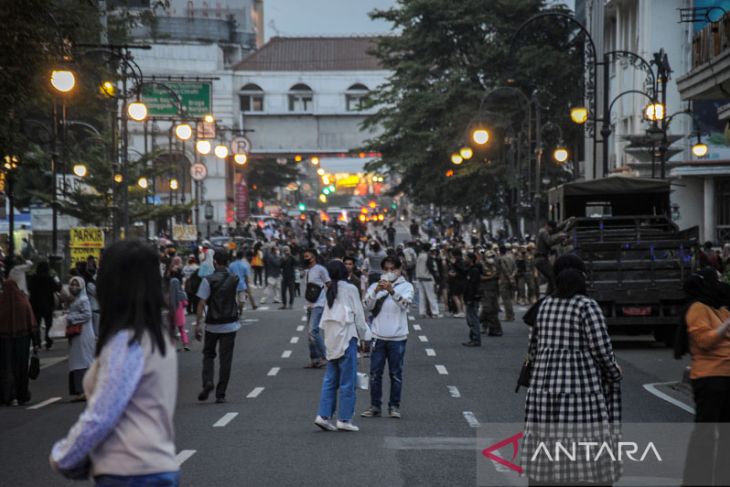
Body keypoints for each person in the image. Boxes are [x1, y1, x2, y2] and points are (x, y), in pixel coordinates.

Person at [50, 240, 179, 486]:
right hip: (158, 466)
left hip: (127, 472)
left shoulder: (128, 343)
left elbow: (103, 413)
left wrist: (62, 456)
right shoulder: (159, 338)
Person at [522, 254, 622, 486]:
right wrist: (614, 372)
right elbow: (601, 347)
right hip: (580, 385)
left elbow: (533, 346)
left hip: (543, 386)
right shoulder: (587, 306)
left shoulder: (545, 305)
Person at [680, 268, 730, 486]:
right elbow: (705, 341)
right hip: (710, 378)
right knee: (706, 434)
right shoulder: (698, 309)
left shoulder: (720, 309)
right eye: (717, 280)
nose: (721, 284)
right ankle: (696, 480)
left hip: (725, 377)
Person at [314, 260, 372, 432]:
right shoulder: (350, 289)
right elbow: (359, 315)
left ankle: (323, 415)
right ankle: (344, 419)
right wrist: (365, 337)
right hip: (347, 337)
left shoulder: (328, 289)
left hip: (331, 339)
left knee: (330, 378)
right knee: (348, 379)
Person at [361, 256, 414, 419]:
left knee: (395, 374)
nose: (389, 272)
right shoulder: (374, 286)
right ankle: (375, 406)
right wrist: (376, 291)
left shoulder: (406, 287)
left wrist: (392, 291)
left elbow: (405, 305)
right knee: (375, 373)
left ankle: (394, 406)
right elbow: (366, 306)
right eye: (386, 269)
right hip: (378, 336)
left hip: (397, 338)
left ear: (399, 270)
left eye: (393, 269)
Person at [194, 250, 240, 403]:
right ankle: (221, 394)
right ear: (227, 262)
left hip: (213, 324)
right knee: (225, 359)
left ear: (215, 262)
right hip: (231, 324)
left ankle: (208, 381)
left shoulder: (208, 280)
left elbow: (201, 303)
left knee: (209, 354)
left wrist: (198, 324)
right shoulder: (234, 278)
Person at [0, 278, 39, 405]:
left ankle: (8, 395)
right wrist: (36, 342)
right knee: (21, 367)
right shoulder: (23, 301)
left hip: (4, 340)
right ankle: (21, 394)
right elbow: (32, 321)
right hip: (23, 339)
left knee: (6, 368)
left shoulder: (1, 302)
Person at [66, 276, 96, 401]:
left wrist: (71, 318)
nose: (73, 287)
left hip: (83, 335)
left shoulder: (83, 299)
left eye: (76, 284)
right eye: (72, 284)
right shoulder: (76, 299)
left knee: (83, 361)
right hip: (77, 335)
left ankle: (84, 390)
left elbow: (87, 315)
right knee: (79, 361)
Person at [303, 248, 330, 368]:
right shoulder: (307, 271)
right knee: (310, 334)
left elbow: (329, 284)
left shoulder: (320, 269)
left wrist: (330, 301)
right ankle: (315, 359)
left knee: (313, 331)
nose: (305, 259)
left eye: (307, 256)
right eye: (304, 257)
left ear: (313, 257)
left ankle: (325, 356)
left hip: (319, 304)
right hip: (309, 304)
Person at [28, 261, 61, 350]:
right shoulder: (49, 278)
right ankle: (48, 340)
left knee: (37, 324)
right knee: (48, 324)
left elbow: (29, 288)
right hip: (48, 304)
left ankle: (37, 342)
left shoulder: (33, 278)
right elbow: (57, 288)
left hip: (35, 304)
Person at [534, 220, 568, 296]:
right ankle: (556, 293)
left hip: (541, 259)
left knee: (550, 277)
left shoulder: (544, 232)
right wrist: (560, 237)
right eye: (551, 228)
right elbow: (549, 242)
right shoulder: (543, 232)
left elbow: (557, 229)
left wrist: (566, 222)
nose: (552, 230)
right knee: (553, 276)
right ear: (547, 226)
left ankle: (549, 294)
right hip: (541, 259)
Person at [479, 250, 502, 336]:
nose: (491, 259)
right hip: (485, 289)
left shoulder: (496, 266)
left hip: (494, 289)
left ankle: (493, 329)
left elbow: (499, 275)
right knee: (487, 309)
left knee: (494, 310)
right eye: (489, 257)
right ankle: (479, 322)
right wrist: (491, 276)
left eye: (492, 257)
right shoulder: (481, 266)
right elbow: (480, 277)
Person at [462, 252, 483, 347]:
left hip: (472, 298)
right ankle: (473, 338)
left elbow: (473, 286)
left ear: (471, 260)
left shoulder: (474, 271)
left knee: (473, 319)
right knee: (470, 319)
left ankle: (476, 339)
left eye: (466, 258)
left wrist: (470, 298)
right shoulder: (470, 270)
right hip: (469, 298)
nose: (464, 260)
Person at [415, 243, 441, 318]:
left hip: (420, 277)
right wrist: (436, 277)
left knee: (422, 296)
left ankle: (422, 312)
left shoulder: (420, 255)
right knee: (431, 296)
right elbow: (431, 268)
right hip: (427, 277)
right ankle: (435, 312)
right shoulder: (428, 256)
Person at [168, 269, 190, 352]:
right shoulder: (181, 294)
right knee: (182, 330)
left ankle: (172, 346)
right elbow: (186, 303)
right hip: (180, 315)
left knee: (172, 330)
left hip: (172, 314)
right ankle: (185, 344)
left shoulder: (169, 296)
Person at [228, 251, 252, 315]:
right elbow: (246, 276)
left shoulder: (231, 265)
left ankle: (237, 309)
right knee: (242, 300)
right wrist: (247, 286)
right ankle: (240, 309)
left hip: (233, 285)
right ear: (242, 256)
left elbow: (229, 275)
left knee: (235, 300)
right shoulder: (245, 265)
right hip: (242, 285)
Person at [497, 245, 516, 322]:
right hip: (511, 279)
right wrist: (512, 276)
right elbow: (515, 268)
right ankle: (511, 314)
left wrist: (509, 277)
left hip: (504, 280)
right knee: (509, 298)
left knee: (506, 299)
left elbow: (504, 269)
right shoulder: (511, 258)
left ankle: (509, 316)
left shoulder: (501, 259)